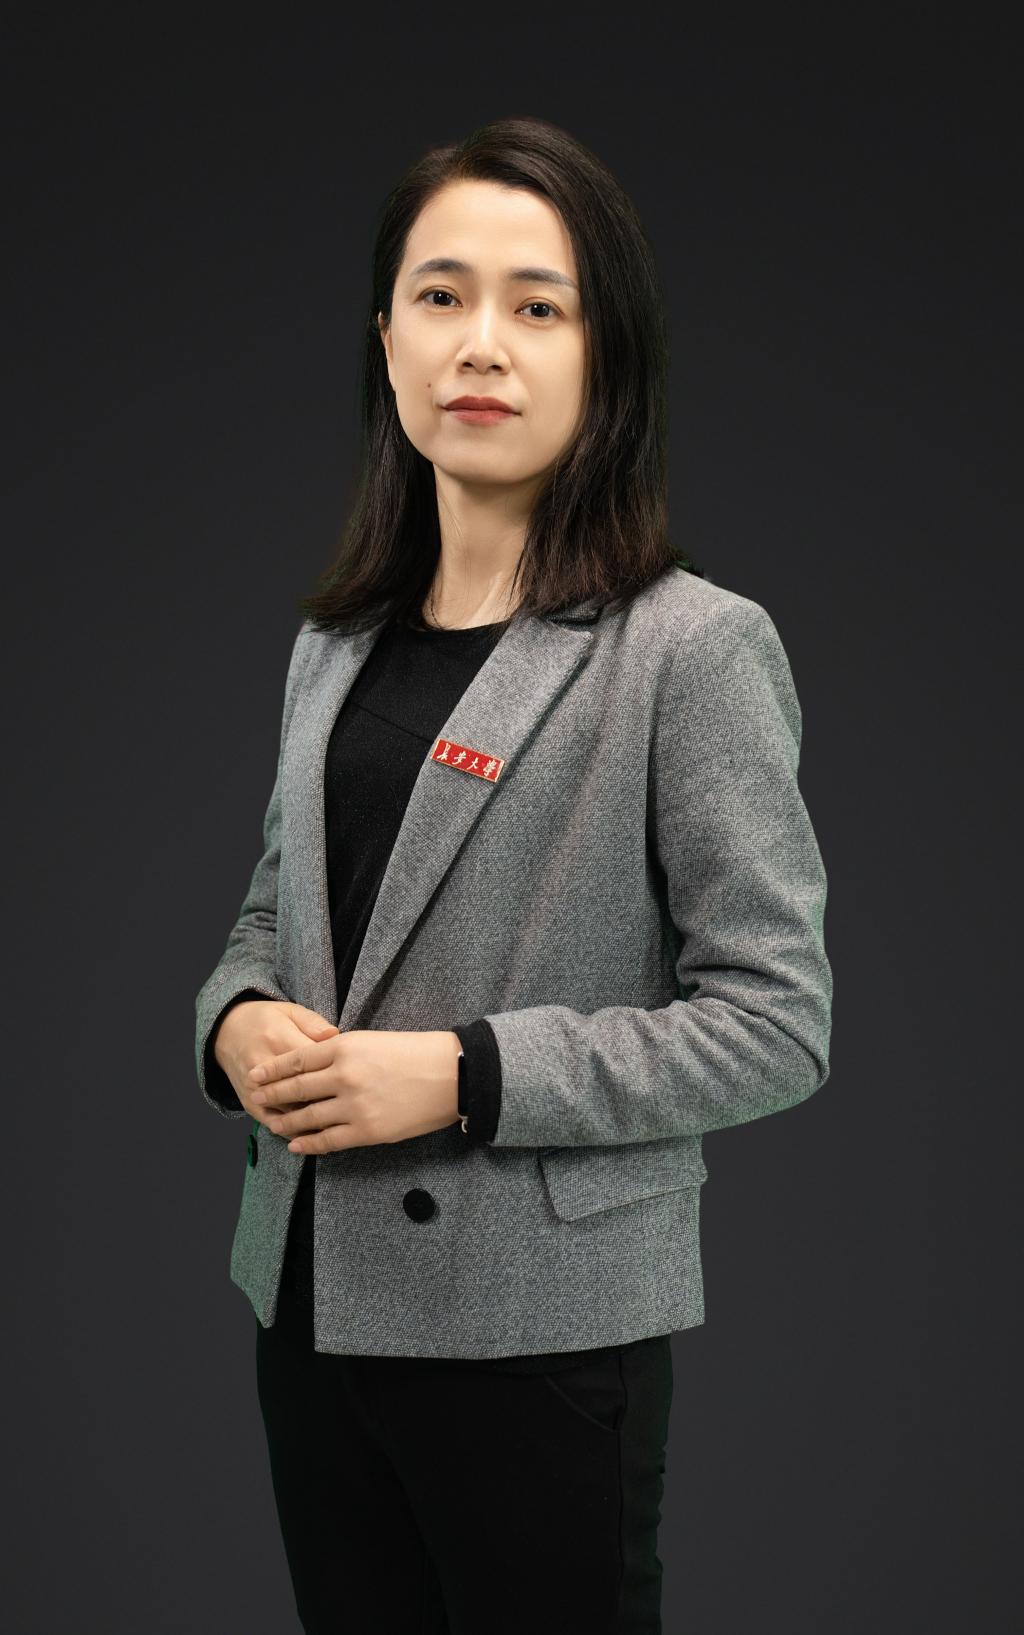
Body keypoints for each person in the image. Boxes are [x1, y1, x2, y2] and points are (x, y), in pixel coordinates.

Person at [194, 115, 833, 1635]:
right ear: (388, 339)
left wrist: (465, 1075)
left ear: (606, 356)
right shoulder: (333, 643)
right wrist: (234, 1025)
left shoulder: (692, 648)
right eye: (442, 295)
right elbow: (272, 917)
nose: (481, 342)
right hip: (308, 1300)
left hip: (539, 1337)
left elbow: (777, 1022)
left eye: (538, 306)